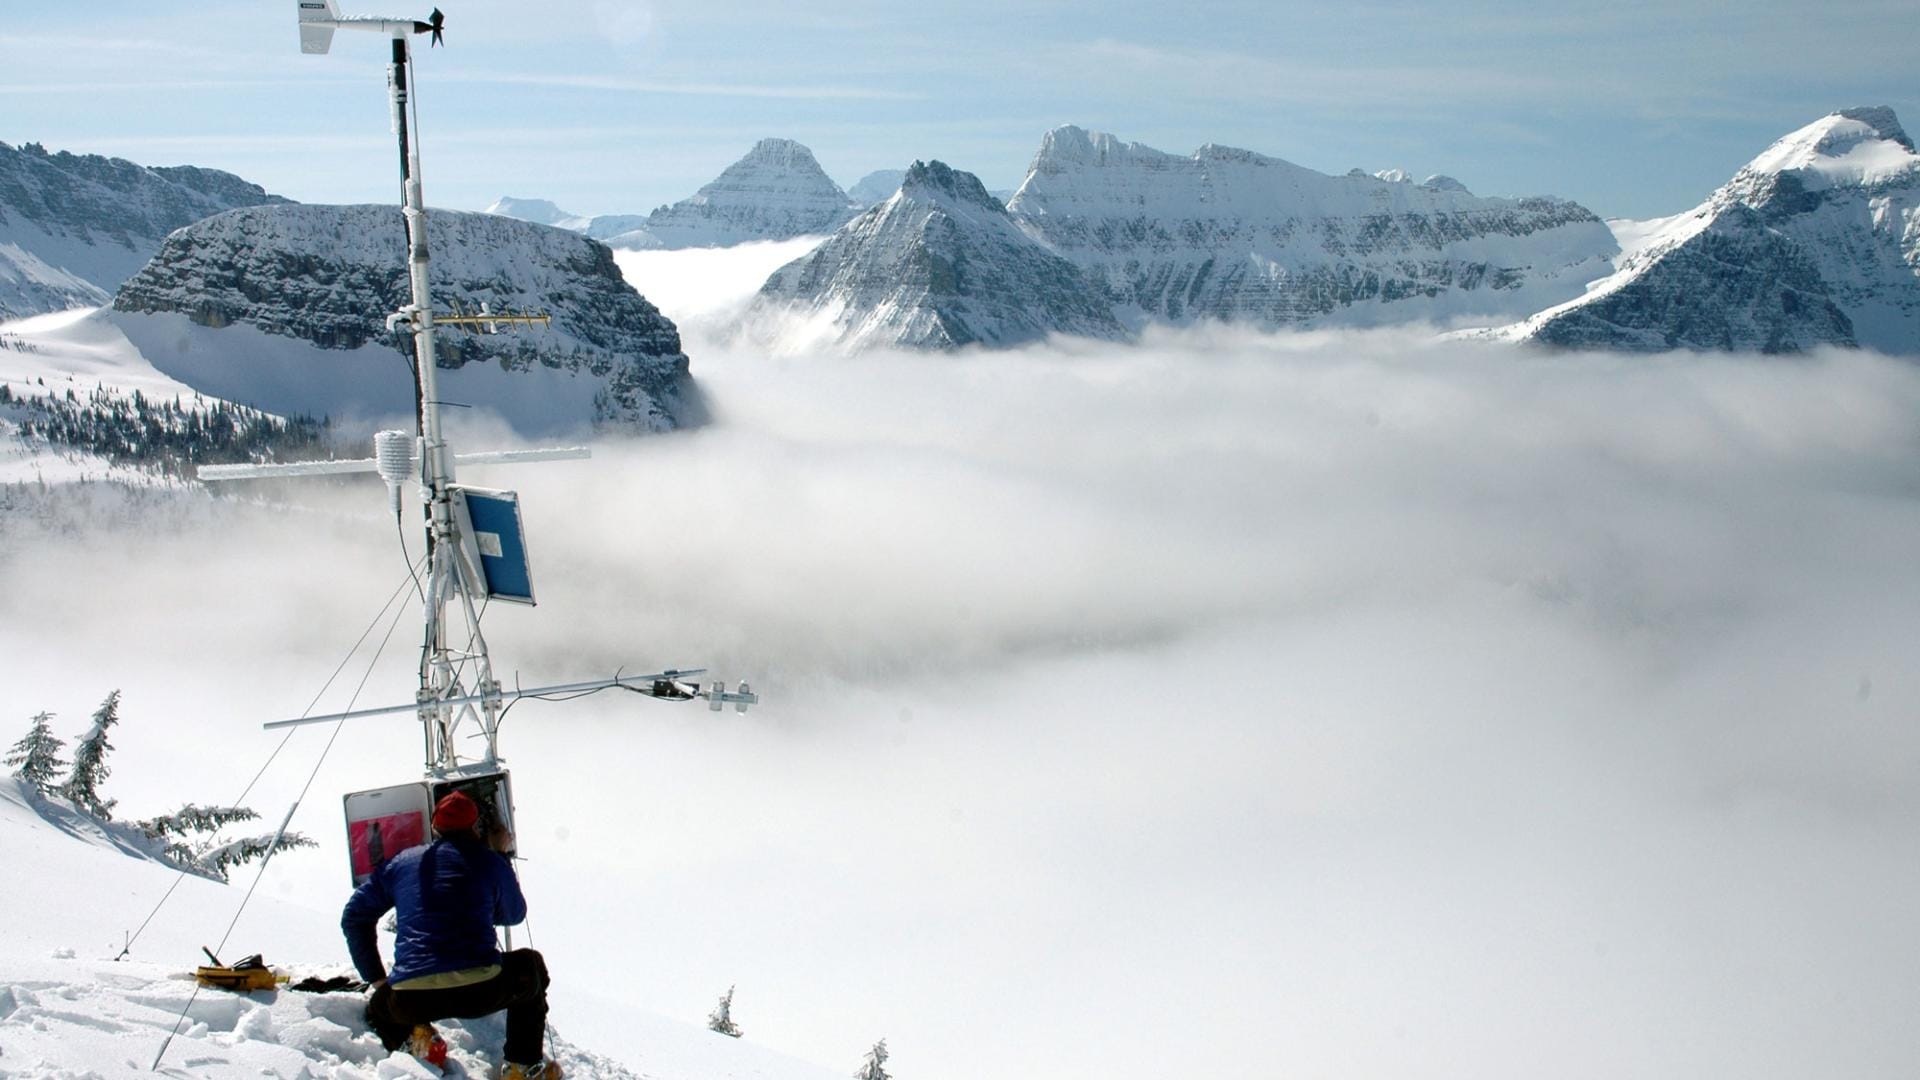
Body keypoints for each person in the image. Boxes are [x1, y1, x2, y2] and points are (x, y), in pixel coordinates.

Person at [343, 790, 562, 1080]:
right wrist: (500, 856)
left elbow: (354, 917)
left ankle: (418, 1040)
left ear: (434, 826)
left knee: (381, 1006)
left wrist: (378, 979)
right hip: (482, 992)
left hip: (411, 999)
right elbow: (513, 914)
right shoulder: (489, 861)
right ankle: (521, 1066)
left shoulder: (402, 862)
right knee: (530, 966)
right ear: (475, 827)